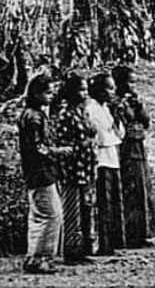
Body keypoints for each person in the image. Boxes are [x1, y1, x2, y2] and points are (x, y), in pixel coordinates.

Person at [18, 74, 72, 274]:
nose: (51, 96)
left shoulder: (34, 114)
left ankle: (34, 256)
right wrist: (60, 151)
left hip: (38, 171)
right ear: (36, 93)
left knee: (39, 215)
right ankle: (41, 258)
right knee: (52, 214)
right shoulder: (33, 117)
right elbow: (38, 147)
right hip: (41, 171)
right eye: (47, 93)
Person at [112, 65, 155, 247]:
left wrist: (138, 106)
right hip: (126, 149)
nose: (132, 86)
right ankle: (130, 234)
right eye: (129, 82)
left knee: (142, 189)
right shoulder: (115, 103)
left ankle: (142, 232)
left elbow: (146, 121)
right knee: (130, 190)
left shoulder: (134, 100)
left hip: (138, 146)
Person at [55, 72, 97, 264]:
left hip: (86, 167)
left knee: (86, 208)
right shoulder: (66, 115)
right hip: (73, 169)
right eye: (81, 89)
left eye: (86, 89)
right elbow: (64, 144)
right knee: (72, 210)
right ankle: (71, 251)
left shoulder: (83, 112)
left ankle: (84, 249)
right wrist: (84, 144)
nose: (85, 93)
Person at [88, 72, 126, 255]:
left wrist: (117, 119)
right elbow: (101, 136)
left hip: (112, 157)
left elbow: (118, 134)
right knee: (104, 202)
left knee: (113, 202)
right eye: (109, 88)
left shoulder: (106, 108)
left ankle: (113, 241)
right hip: (101, 160)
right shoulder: (92, 109)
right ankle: (103, 243)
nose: (113, 91)